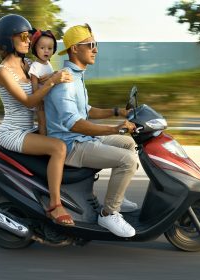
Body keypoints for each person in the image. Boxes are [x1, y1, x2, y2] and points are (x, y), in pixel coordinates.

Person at [44, 24, 138, 237]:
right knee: (127, 161)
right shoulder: (66, 80)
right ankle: (108, 214)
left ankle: (117, 198)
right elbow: (73, 123)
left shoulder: (76, 76)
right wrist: (113, 129)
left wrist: (117, 111)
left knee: (129, 143)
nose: (95, 49)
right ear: (75, 49)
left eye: (96, 45)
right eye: (91, 45)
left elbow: (85, 111)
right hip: (72, 145)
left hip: (82, 138)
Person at [0, 14, 75, 226]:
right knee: (58, 148)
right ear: (7, 40)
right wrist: (53, 81)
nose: (28, 40)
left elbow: (42, 81)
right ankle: (55, 205)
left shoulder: (28, 63)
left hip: (30, 129)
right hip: (12, 133)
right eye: (22, 36)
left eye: (29, 36)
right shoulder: (2, 72)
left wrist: (59, 76)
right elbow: (29, 101)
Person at [28, 29, 59, 135]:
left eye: (50, 48)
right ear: (35, 49)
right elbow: (34, 86)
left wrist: (54, 74)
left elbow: (50, 79)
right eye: (42, 48)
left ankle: (51, 138)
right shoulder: (35, 66)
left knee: (51, 121)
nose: (46, 51)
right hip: (40, 101)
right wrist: (39, 101)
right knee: (42, 122)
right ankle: (44, 140)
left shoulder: (48, 64)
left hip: (49, 99)